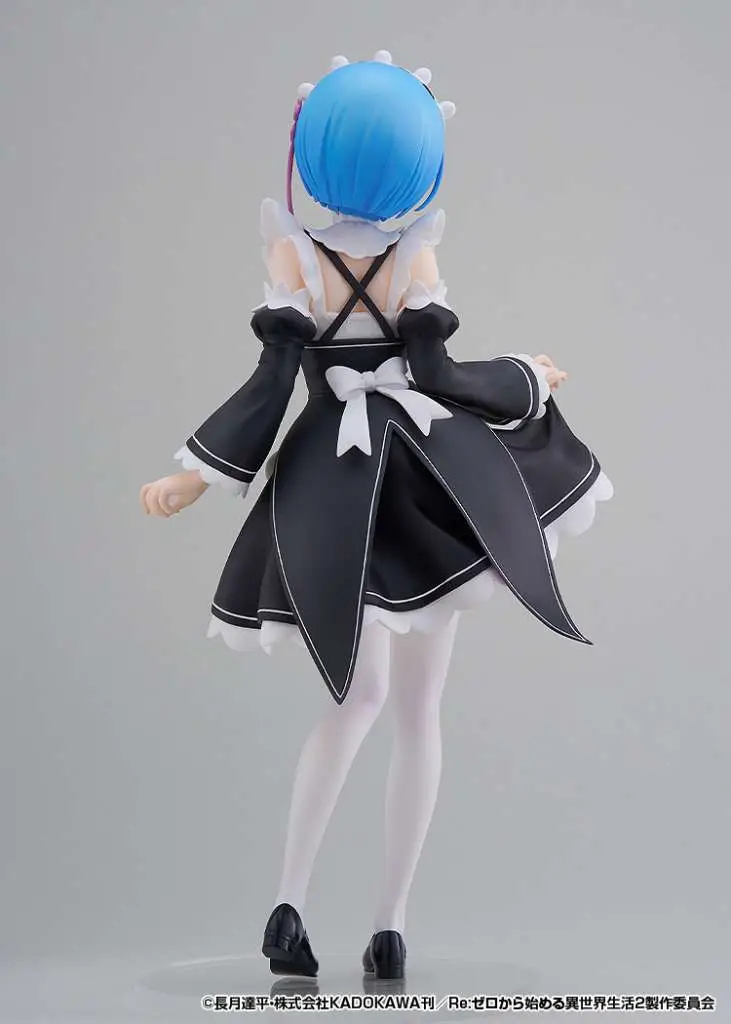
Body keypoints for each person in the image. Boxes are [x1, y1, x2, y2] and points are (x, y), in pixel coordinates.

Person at [140, 51, 613, 980]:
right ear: (420, 161)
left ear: (311, 153)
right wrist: (526, 379)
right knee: (415, 711)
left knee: (352, 702)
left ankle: (289, 905)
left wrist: (197, 474)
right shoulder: (411, 258)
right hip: (420, 478)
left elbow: (272, 384)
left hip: (327, 479)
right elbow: (438, 375)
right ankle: (388, 927)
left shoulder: (292, 256)